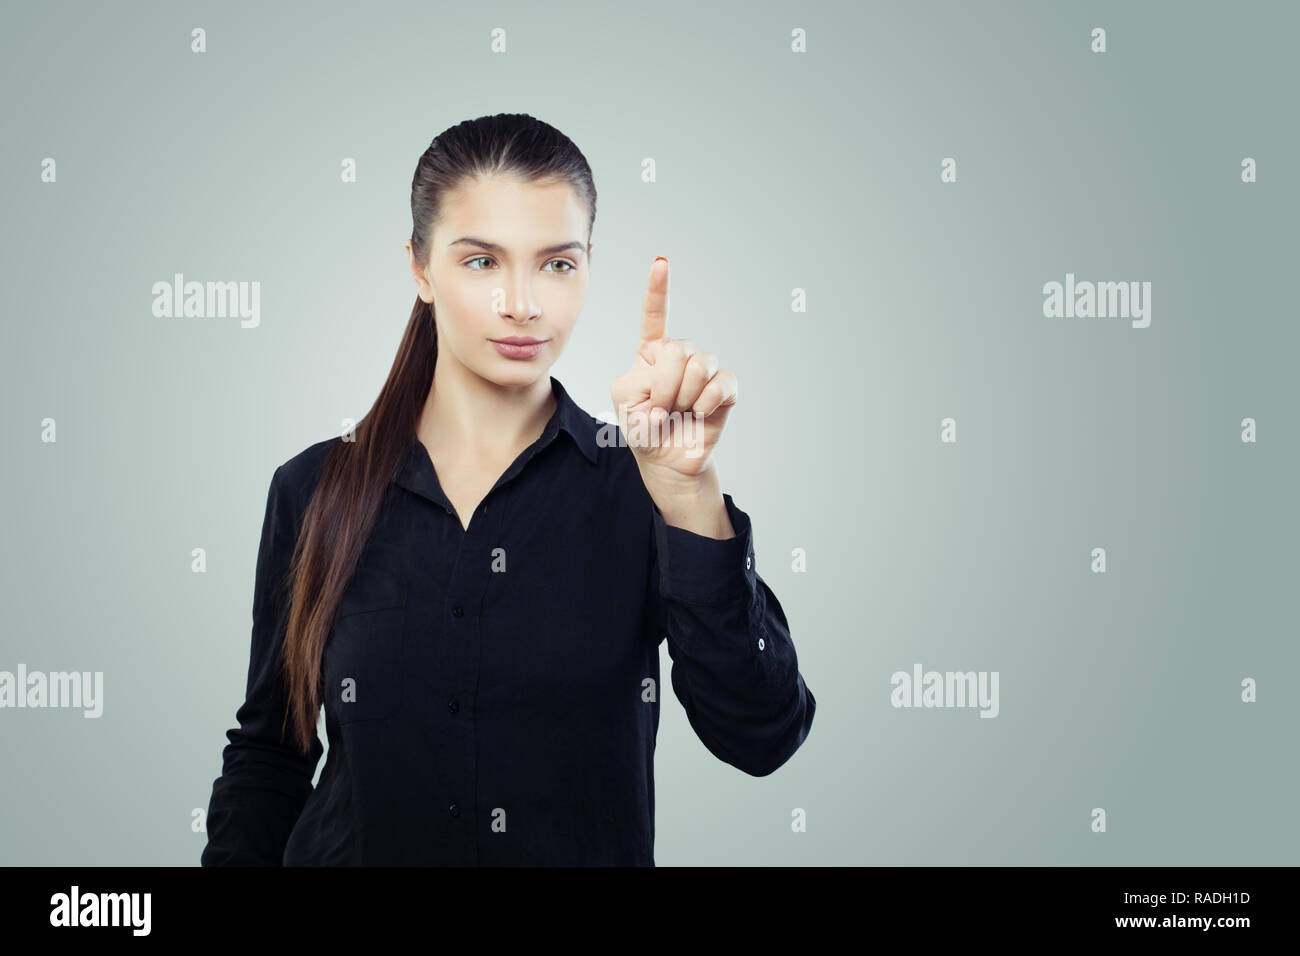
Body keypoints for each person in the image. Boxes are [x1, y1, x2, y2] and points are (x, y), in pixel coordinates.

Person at [200, 112, 815, 866]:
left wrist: (689, 496)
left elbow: (764, 734)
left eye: (557, 264)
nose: (522, 303)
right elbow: (269, 759)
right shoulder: (312, 490)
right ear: (421, 269)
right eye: (482, 262)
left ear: (590, 266)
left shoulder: (642, 490)